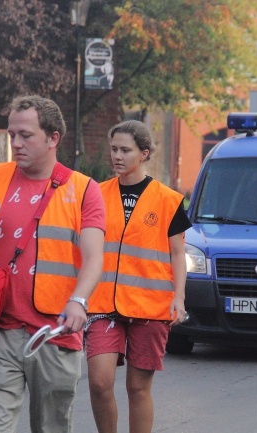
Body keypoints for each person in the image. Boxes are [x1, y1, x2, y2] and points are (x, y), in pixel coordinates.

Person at [0, 95, 105, 433]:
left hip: (54, 333)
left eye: (25, 136)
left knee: (51, 427)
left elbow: (93, 259)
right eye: (11, 135)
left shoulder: (83, 189)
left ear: (53, 138)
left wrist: (78, 301)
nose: (15, 143)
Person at [85, 120, 192, 433]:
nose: (117, 156)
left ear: (144, 153)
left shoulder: (169, 200)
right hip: (102, 303)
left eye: (125, 150)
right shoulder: (96, 195)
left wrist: (179, 297)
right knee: (99, 382)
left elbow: (177, 254)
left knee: (137, 387)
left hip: (151, 306)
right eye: (114, 149)